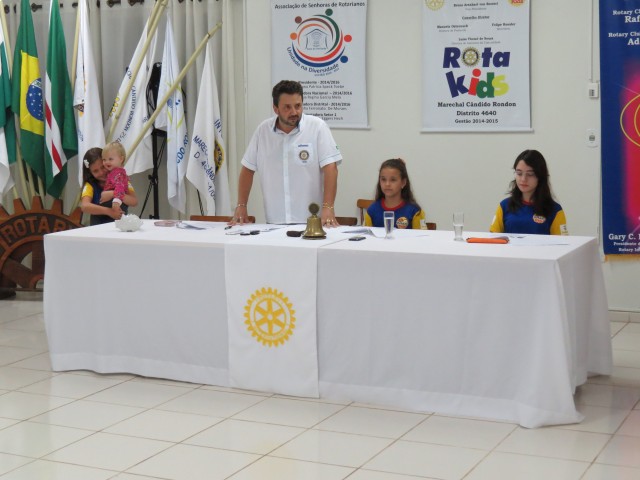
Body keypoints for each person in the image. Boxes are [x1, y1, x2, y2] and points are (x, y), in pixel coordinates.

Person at [231, 80, 342, 226]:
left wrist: (328, 207)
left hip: (312, 221)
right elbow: (247, 169)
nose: (294, 112)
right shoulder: (263, 131)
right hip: (274, 221)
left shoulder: (317, 127)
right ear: (275, 109)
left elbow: (331, 169)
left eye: (298, 106)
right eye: (287, 107)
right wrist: (241, 205)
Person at [490, 149, 568, 235]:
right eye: (519, 173)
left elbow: (563, 242)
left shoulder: (555, 211)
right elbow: (493, 239)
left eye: (530, 174)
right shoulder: (504, 206)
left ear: (540, 176)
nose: (523, 179)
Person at [80, 147, 138, 225]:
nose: (101, 173)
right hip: (98, 227)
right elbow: (84, 206)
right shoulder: (90, 185)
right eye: (95, 171)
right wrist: (109, 212)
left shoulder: (121, 179)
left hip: (121, 226)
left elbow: (134, 201)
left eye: (103, 167)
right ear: (90, 172)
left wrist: (113, 194)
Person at [364, 158, 426, 229]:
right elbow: (365, 234)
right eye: (383, 179)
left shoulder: (415, 211)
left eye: (393, 180)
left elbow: (422, 236)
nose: (387, 184)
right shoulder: (371, 210)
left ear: (403, 183)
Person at [101, 142, 130, 218]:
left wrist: (116, 202)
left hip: (116, 203)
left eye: (110, 159)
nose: (106, 162)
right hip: (115, 202)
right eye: (104, 159)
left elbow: (120, 187)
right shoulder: (113, 172)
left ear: (121, 159)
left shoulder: (118, 174)